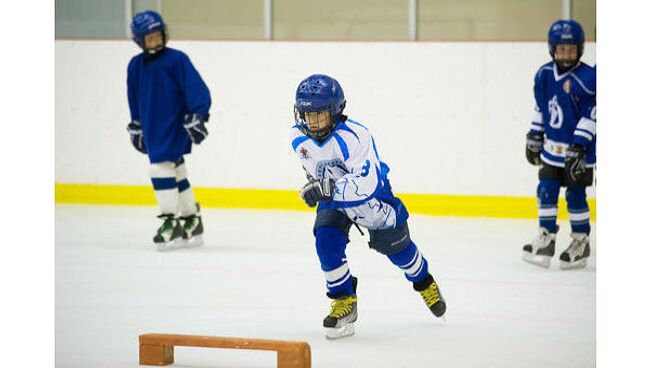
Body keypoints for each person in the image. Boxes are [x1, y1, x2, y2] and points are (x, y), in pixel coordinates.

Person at [290, 74, 446, 339]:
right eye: (307, 114)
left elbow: (367, 184)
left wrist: (327, 188)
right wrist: (320, 190)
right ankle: (344, 301)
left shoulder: (356, 136)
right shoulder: (297, 136)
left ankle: (424, 281)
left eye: (320, 114)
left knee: (400, 253)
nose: (312, 122)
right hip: (335, 200)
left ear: (336, 111)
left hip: (371, 201)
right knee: (325, 240)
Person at [126, 11, 211, 251]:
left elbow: (197, 89)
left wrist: (198, 115)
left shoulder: (177, 59)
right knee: (177, 171)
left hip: (175, 124)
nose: (155, 41)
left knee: (159, 167)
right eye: (149, 38)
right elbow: (133, 97)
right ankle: (191, 219)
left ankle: (169, 220)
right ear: (140, 41)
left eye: (157, 36)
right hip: (153, 125)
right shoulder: (135, 66)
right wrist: (136, 124)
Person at [522, 20, 596, 269]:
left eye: (571, 49)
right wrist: (534, 135)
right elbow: (541, 108)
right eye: (561, 49)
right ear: (552, 49)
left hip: (579, 153)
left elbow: (593, 114)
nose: (566, 55)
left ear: (580, 49)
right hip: (552, 152)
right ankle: (546, 237)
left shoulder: (588, 78)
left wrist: (579, 145)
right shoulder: (544, 74)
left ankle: (580, 241)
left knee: (576, 196)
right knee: (545, 191)